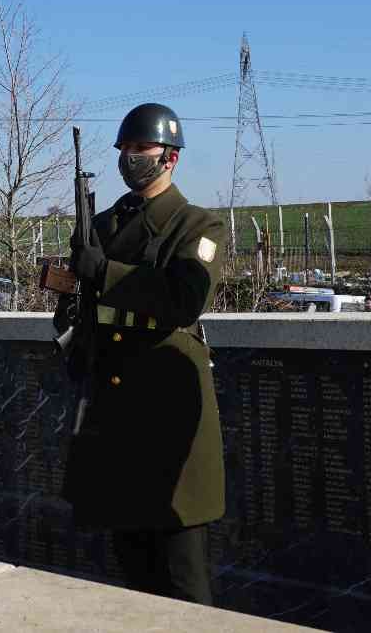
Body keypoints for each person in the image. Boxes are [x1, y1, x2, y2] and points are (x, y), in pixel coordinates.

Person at [59, 103, 226, 604]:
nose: (131, 158)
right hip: (113, 412)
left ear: (170, 158)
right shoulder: (103, 224)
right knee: (132, 575)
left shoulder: (197, 225)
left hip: (166, 408)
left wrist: (105, 273)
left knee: (179, 574)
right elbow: (79, 300)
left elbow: (183, 299)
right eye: (125, 149)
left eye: (142, 149)